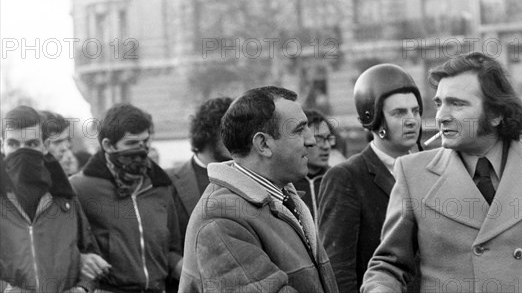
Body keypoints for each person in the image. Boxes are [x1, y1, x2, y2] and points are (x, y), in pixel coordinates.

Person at [362, 52, 522, 292]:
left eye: (457, 104)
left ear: (495, 114)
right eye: (439, 103)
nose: (441, 116)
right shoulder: (412, 173)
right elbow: (388, 267)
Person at [178, 86, 338, 293]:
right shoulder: (220, 219)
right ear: (263, 144)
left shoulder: (283, 197)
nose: (311, 140)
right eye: (299, 130)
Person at [318, 64, 423, 293]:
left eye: (415, 111)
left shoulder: (432, 167)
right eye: (399, 113)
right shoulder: (346, 177)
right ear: (372, 117)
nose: (412, 120)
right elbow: (338, 270)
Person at [70, 103, 182, 293]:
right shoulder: (80, 188)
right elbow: (69, 247)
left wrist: (192, 273)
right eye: (131, 143)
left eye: (145, 141)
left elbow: (171, 247)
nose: (141, 150)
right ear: (108, 145)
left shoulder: (161, 185)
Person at [0, 105, 104, 293]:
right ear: (2, 145)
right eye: (14, 144)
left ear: (45, 146)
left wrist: (82, 289)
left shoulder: (65, 200)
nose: (22, 152)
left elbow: (90, 257)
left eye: (31, 144)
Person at [166, 96, 233, 245]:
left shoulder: (250, 176)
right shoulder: (168, 182)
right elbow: (162, 243)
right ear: (209, 132)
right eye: (230, 132)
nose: (238, 139)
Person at [295, 108, 335, 223]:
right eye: (318, 139)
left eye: (328, 139)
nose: (326, 146)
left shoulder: (337, 180)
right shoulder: (287, 184)